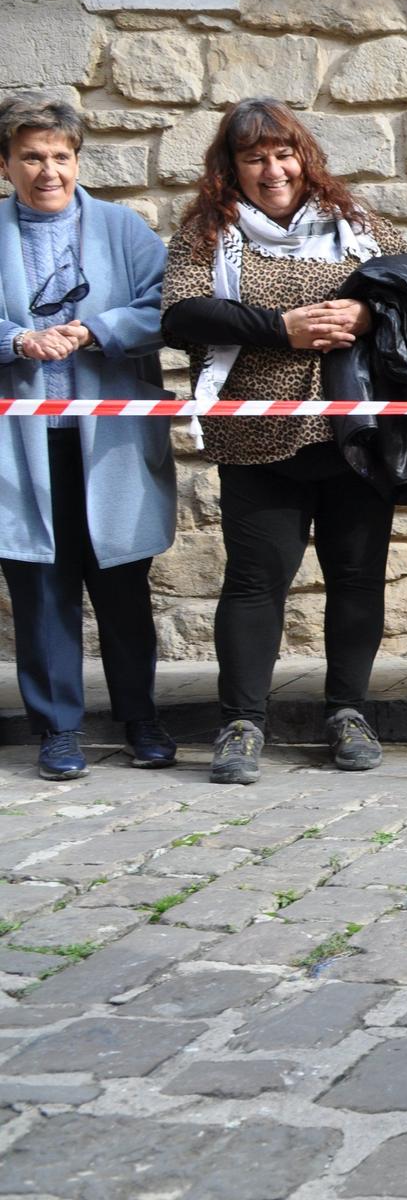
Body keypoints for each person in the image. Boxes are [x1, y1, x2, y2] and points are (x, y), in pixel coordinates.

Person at [161, 98, 407, 783]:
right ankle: (242, 724)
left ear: (304, 157)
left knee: (356, 578)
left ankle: (348, 711)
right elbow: (181, 311)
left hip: (352, 433)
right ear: (230, 168)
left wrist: (366, 309)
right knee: (254, 582)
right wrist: (282, 327)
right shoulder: (209, 233)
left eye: (283, 153)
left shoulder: (355, 225)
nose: (272, 169)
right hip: (256, 437)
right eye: (253, 157)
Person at [0, 97, 175, 782]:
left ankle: (140, 717)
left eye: (60, 157)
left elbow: (167, 304)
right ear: (7, 163)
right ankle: (58, 729)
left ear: (78, 160)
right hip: (24, 438)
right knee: (41, 585)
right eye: (33, 157)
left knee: (123, 582)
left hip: (111, 439)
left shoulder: (122, 227)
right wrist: (16, 339)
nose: (49, 171)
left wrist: (95, 329)